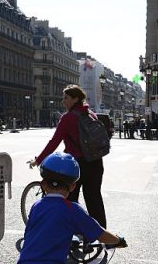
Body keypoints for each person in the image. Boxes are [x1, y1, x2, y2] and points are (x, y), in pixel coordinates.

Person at [32, 85, 107, 228]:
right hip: (96, 162)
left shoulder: (68, 118)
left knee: (70, 199)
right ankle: (101, 235)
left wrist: (39, 159)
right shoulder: (91, 114)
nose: (63, 101)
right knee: (94, 198)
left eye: (66, 98)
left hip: (77, 164)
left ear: (75, 99)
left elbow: (54, 142)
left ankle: (70, 233)